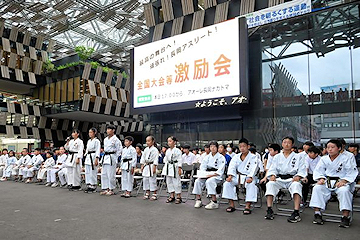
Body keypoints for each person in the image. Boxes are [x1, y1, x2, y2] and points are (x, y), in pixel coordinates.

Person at [310, 139, 358, 228]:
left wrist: (344, 181)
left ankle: (345, 216)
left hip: (341, 182)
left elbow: (351, 172)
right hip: (327, 181)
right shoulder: (324, 159)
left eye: (332, 147)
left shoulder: (346, 158)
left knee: (344, 191)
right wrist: (320, 178)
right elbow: (318, 171)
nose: (330, 149)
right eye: (328, 147)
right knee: (317, 188)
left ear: (339, 148)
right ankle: (317, 214)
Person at [264, 137, 307, 223]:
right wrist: (272, 175)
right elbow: (273, 168)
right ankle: (269, 209)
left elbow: (302, 169)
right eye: (284, 142)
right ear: (282, 144)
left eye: (289, 143)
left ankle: (296, 211)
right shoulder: (277, 156)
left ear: (292, 145)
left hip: (292, 179)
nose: (286, 144)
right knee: (270, 184)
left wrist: (298, 176)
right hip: (279, 178)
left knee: (297, 186)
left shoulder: (298, 157)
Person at [222, 138, 259, 214]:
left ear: (248, 146)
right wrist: (230, 176)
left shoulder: (253, 157)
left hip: (248, 177)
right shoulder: (236, 156)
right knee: (227, 183)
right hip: (237, 176)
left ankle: (247, 206)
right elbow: (232, 166)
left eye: (244, 146)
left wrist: (250, 177)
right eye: (240, 146)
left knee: (251, 184)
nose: (242, 148)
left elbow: (254, 168)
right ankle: (231, 205)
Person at [192, 141, 225, 209]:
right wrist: (204, 174)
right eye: (211, 146)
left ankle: (214, 201)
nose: (212, 148)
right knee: (198, 181)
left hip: (216, 175)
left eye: (214, 146)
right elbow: (203, 167)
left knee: (210, 181)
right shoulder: (207, 157)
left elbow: (221, 170)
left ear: (217, 148)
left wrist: (212, 175)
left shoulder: (221, 157)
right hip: (207, 174)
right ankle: (198, 200)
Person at [100, 125, 122, 196]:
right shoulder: (105, 139)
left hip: (112, 157)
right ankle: (106, 188)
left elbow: (119, 150)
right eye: (107, 129)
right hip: (105, 157)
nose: (108, 131)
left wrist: (115, 157)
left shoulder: (116, 140)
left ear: (113, 130)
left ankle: (111, 189)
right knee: (104, 174)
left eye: (109, 129)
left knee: (110, 174)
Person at [162, 136, 183, 204]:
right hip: (168, 167)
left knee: (176, 182)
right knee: (169, 182)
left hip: (175, 167)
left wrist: (179, 168)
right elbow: (165, 159)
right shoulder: (168, 150)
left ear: (174, 142)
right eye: (168, 141)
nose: (169, 143)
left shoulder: (178, 150)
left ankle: (178, 196)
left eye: (170, 141)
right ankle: (172, 195)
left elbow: (180, 159)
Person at [141, 136, 159, 200]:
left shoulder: (155, 149)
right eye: (146, 141)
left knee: (152, 180)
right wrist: (142, 165)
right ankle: (147, 193)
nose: (147, 142)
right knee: (145, 179)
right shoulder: (146, 149)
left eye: (149, 141)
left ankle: (154, 193)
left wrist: (154, 166)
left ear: (153, 141)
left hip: (151, 165)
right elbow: (143, 158)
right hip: (146, 165)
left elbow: (156, 159)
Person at [83, 128, 101, 193]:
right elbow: (87, 149)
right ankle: (89, 185)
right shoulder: (89, 141)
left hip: (93, 156)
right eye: (89, 132)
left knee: (92, 172)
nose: (89, 134)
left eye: (91, 132)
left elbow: (98, 150)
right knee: (87, 172)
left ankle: (93, 185)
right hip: (88, 156)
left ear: (94, 133)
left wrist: (97, 158)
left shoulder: (97, 141)